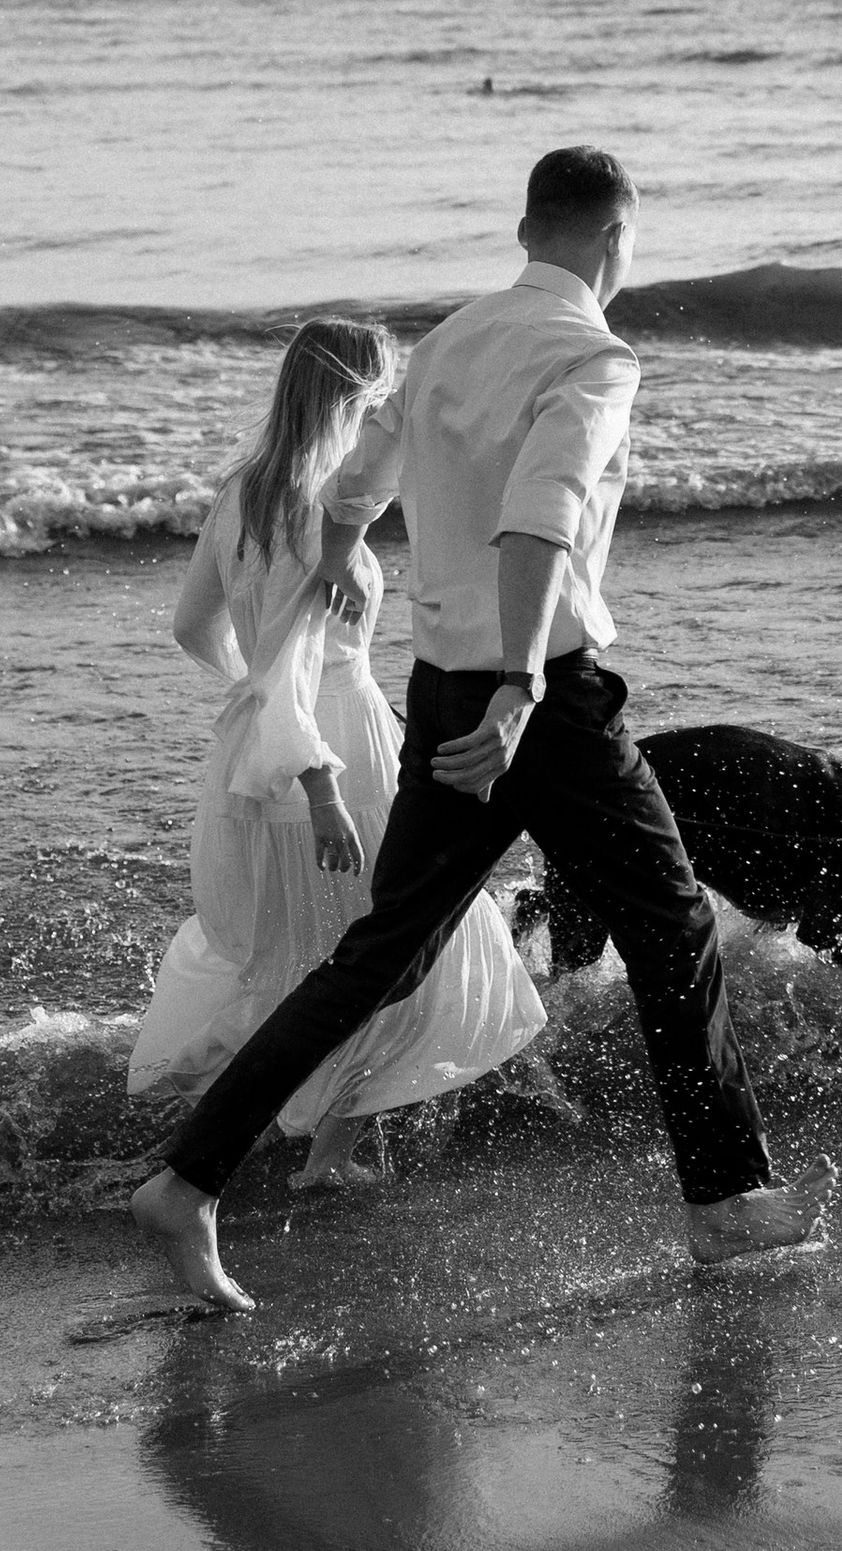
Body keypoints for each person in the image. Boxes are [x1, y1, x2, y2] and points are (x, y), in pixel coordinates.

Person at [133, 148, 819, 1306]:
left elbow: (356, 467)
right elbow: (539, 524)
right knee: (671, 923)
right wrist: (521, 691)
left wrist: (353, 532)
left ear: (522, 227)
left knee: (381, 959)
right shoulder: (596, 356)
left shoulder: (452, 338)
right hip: (532, 694)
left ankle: (190, 1179)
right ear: (616, 240)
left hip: (444, 691)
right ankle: (727, 1202)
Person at [127, 319, 545, 1192]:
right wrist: (320, 777)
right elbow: (296, 671)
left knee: (289, 956)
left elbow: (190, 627)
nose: (395, 405)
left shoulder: (242, 489)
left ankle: (248, 1144)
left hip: (248, 763)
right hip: (331, 761)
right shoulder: (329, 512)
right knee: (400, 958)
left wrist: (247, 700)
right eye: (385, 390)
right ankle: (322, 1156)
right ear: (358, 396)